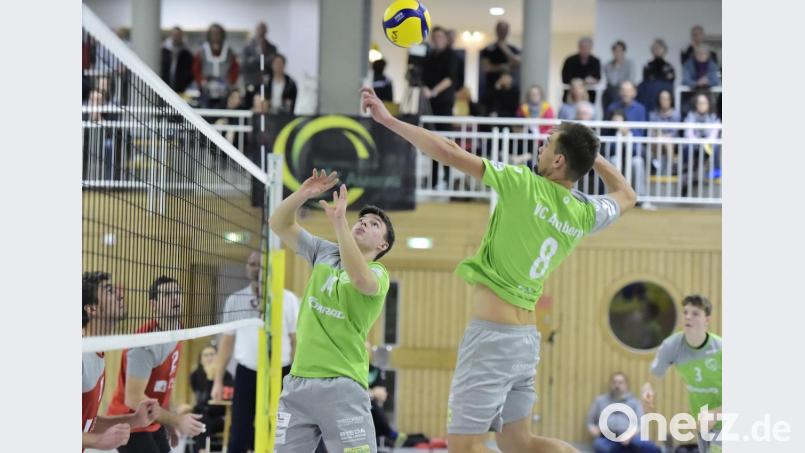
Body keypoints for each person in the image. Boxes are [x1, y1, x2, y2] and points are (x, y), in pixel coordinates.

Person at [361, 86, 635, 453]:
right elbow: (627, 194)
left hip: (493, 339)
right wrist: (590, 155)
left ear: (558, 162)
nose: (541, 146)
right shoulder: (584, 213)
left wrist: (389, 120)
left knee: (464, 446)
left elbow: (449, 152)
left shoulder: (523, 185)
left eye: (549, 142)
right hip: (524, 342)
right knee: (519, 443)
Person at [268, 171, 396, 453]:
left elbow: (360, 280)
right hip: (298, 383)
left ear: (382, 245)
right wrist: (303, 194)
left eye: (373, 224)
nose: (363, 223)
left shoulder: (378, 273)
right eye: (361, 220)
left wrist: (339, 222)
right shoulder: (323, 252)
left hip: (342, 386)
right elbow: (278, 223)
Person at [211, 251, 300, 453]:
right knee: (239, 434)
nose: (256, 269)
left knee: (281, 432)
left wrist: (297, 377)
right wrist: (218, 380)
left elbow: (296, 341)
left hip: (281, 374)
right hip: (247, 373)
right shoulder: (236, 299)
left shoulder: (288, 299)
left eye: (260, 265)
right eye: (252, 264)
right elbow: (227, 342)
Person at [107, 276, 206, 453]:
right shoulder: (144, 346)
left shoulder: (177, 331)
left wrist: (169, 424)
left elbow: (164, 386)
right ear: (153, 305)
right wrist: (176, 420)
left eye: (177, 293)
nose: (175, 297)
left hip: (152, 420)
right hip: (129, 422)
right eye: (167, 294)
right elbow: (134, 399)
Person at [82, 272, 159, 451]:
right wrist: (97, 441)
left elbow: (88, 422)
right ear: (92, 308)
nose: (120, 294)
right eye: (109, 291)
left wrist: (135, 420)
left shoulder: (96, 351)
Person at [641, 295, 722, 453]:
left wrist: (718, 413)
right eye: (686, 312)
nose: (688, 317)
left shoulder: (721, 348)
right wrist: (647, 391)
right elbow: (652, 379)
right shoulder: (672, 346)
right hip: (704, 423)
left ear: (707, 320)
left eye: (695, 313)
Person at [586, 372, 660, 453]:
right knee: (598, 445)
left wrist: (630, 436)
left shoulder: (635, 402)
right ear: (610, 384)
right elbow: (590, 422)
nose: (617, 385)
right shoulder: (599, 401)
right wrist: (594, 430)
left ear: (626, 385)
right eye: (614, 382)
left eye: (620, 382)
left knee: (645, 446)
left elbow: (641, 424)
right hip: (607, 438)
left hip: (630, 437)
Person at [422, 26, 458, 189]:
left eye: (440, 37)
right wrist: (424, 89)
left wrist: (433, 92)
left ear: (445, 38)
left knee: (445, 142)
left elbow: (450, 79)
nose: (437, 39)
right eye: (434, 37)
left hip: (444, 104)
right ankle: (434, 180)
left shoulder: (451, 56)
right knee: (431, 142)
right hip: (430, 106)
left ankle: (447, 180)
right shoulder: (429, 56)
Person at [186, 345, 234, 453]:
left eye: (212, 355)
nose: (209, 358)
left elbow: (214, 404)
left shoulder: (227, 376)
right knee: (202, 420)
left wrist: (211, 379)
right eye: (206, 355)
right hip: (204, 415)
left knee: (202, 421)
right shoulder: (195, 375)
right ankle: (202, 450)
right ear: (201, 359)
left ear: (218, 357)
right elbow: (203, 402)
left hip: (220, 417)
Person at [366, 342, 407, 449]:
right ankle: (391, 434)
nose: (365, 352)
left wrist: (368, 392)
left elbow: (382, 395)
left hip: (371, 409)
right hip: (357, 407)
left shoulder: (376, 371)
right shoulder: (353, 370)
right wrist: (372, 392)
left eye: (367, 350)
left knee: (371, 403)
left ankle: (390, 434)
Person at [193, 23, 240, 109]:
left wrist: (231, 82)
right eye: (213, 33)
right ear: (209, 35)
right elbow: (196, 69)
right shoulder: (202, 51)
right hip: (206, 90)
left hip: (225, 91)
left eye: (218, 33)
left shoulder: (229, 52)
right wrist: (201, 82)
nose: (215, 36)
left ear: (222, 35)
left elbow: (235, 68)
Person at [683, 94, 721, 179]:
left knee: (714, 146)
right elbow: (688, 134)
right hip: (694, 144)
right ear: (696, 105)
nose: (702, 105)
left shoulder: (714, 117)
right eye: (700, 103)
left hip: (708, 145)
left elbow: (714, 135)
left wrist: (705, 143)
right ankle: (689, 170)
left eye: (704, 103)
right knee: (688, 146)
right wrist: (698, 142)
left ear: (708, 104)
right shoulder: (690, 116)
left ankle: (716, 170)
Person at [241, 21, 278, 108]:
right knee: (249, 106)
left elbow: (272, 62)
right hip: (250, 82)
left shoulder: (272, 47)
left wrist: (254, 59)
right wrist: (262, 60)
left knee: (264, 106)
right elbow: (245, 64)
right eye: (259, 29)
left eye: (263, 30)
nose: (261, 32)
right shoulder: (248, 47)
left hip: (266, 83)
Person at [480, 21, 521, 99]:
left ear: (508, 31)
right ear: (496, 30)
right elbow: (486, 67)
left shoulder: (513, 49)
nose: (502, 32)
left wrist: (504, 48)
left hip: (510, 88)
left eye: (504, 30)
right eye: (500, 29)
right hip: (492, 87)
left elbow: (516, 63)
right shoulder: (488, 49)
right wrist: (503, 67)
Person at [648, 90, 680, 174]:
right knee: (658, 140)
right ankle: (655, 166)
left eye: (667, 99)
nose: (664, 101)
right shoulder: (653, 115)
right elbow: (652, 132)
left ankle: (671, 168)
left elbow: (674, 133)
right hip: (656, 142)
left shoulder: (676, 115)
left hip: (671, 143)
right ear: (659, 100)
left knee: (668, 142)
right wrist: (661, 136)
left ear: (671, 100)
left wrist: (662, 136)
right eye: (662, 99)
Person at [561, 37, 601, 103]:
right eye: (582, 47)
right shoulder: (570, 60)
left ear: (591, 48)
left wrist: (592, 81)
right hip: (570, 96)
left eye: (587, 48)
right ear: (579, 47)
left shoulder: (595, 61)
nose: (584, 50)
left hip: (589, 96)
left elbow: (598, 78)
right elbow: (565, 78)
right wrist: (578, 83)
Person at [160, 27, 195, 94]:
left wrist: (184, 82)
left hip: (180, 89)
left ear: (182, 36)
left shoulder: (186, 53)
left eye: (178, 35)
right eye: (174, 35)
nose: (176, 37)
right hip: (165, 86)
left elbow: (191, 71)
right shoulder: (164, 51)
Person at [602, 41, 635, 112]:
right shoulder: (608, 65)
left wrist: (623, 88)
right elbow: (612, 81)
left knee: (624, 92)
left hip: (624, 90)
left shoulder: (629, 64)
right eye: (615, 51)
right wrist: (616, 67)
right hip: (611, 91)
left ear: (624, 52)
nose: (617, 53)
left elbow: (630, 80)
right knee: (609, 92)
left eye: (620, 51)